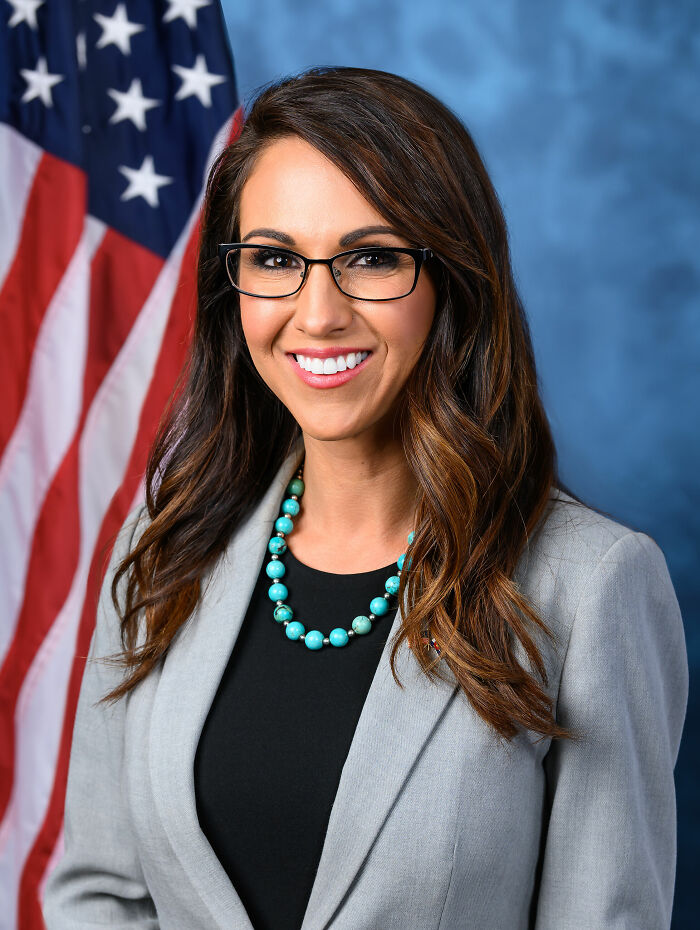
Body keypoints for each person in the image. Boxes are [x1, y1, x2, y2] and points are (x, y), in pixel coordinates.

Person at [42, 66, 688, 930]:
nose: (317, 314)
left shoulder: (594, 584)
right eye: (273, 259)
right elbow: (99, 894)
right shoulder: (165, 546)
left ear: (451, 280)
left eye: (372, 259)